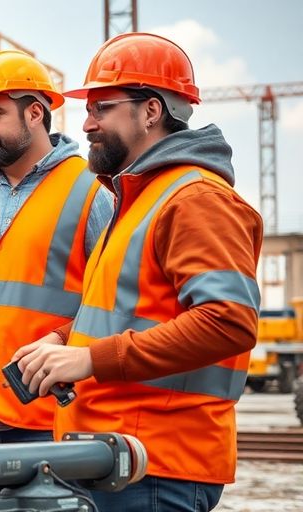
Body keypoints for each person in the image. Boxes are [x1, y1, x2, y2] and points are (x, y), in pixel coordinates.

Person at [13, 33, 263, 511]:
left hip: (157, 465)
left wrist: (89, 360)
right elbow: (135, 311)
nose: (86, 123)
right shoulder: (139, 200)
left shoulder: (195, 199)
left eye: (102, 107)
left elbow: (228, 321)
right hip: (117, 458)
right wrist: (66, 341)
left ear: (151, 111)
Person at [0, 49, 113, 500]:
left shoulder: (92, 193)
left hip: (52, 423)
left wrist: (60, 341)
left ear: (36, 113)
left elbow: (115, 302)